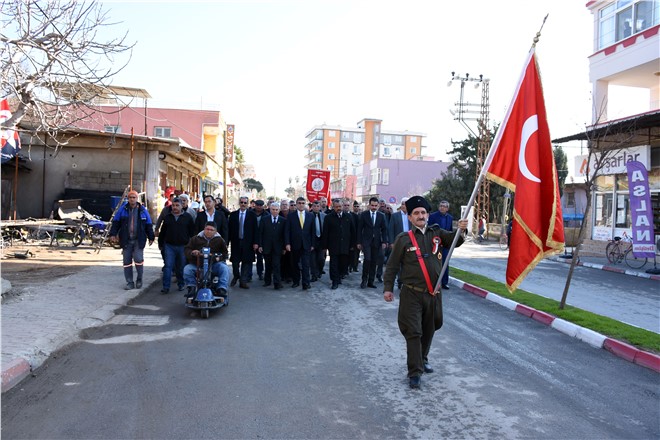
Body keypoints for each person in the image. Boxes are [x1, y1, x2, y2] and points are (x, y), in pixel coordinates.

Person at [383, 195, 467, 389]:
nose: (420, 216)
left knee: (430, 328)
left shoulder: (437, 233)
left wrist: (462, 230)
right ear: (410, 217)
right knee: (413, 331)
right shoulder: (403, 239)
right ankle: (415, 372)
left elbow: (456, 240)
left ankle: (423, 357)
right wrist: (388, 288)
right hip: (411, 293)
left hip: (433, 294)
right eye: (416, 213)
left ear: (427, 215)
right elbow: (392, 266)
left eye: (423, 213)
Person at [109, 190, 155, 290]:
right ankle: (129, 282)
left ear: (137, 199)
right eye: (130, 197)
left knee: (138, 260)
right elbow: (116, 222)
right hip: (126, 240)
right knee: (127, 262)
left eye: (134, 197)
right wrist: (113, 234)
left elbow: (148, 225)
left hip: (139, 240)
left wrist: (151, 237)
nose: (132, 199)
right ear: (128, 199)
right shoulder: (122, 209)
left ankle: (139, 279)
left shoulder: (143, 210)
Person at [183, 221, 229, 302]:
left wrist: (218, 257)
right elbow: (187, 249)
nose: (209, 231)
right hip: (198, 265)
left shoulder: (220, 240)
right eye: (207, 229)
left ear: (215, 231)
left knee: (224, 268)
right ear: (204, 229)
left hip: (213, 265)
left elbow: (225, 254)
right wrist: (193, 252)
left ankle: (221, 289)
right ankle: (191, 287)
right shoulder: (195, 238)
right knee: (187, 269)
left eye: (211, 230)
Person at [157, 197, 196, 293]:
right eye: (173, 205)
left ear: (182, 206)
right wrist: (160, 244)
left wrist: (192, 246)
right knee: (168, 266)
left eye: (177, 205)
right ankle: (166, 287)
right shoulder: (168, 217)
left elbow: (192, 233)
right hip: (169, 246)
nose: (175, 207)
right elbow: (163, 232)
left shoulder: (187, 217)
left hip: (183, 246)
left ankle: (181, 284)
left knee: (181, 267)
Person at [321, 198, 355, 290]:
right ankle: (334, 281)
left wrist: (352, 245)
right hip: (333, 245)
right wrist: (324, 246)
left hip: (345, 245)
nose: (338, 208)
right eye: (336, 207)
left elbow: (353, 231)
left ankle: (339, 276)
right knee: (334, 264)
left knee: (343, 263)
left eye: (340, 206)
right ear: (333, 207)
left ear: (342, 206)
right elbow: (325, 233)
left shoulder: (348, 217)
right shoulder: (328, 217)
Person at [357, 196, 388, 289]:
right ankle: (364, 280)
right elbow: (359, 229)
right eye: (372, 205)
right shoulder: (364, 215)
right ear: (369, 205)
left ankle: (371, 281)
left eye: (375, 205)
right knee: (367, 260)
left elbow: (384, 229)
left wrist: (384, 241)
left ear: (378, 206)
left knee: (374, 261)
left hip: (377, 242)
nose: (374, 207)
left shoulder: (381, 216)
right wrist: (359, 242)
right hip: (366, 241)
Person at [228, 196, 258, 289]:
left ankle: (243, 281)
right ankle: (236, 275)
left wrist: (255, 242)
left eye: (245, 203)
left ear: (247, 204)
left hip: (248, 242)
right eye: (241, 202)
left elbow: (255, 230)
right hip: (236, 242)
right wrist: (226, 242)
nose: (243, 204)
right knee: (235, 262)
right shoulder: (233, 215)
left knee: (246, 262)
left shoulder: (252, 215)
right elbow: (229, 229)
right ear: (239, 203)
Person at [285, 196, 314, 290]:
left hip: (306, 244)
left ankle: (306, 283)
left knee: (306, 264)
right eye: (299, 203)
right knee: (295, 264)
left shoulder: (310, 215)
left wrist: (313, 244)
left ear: (305, 204)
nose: (301, 205)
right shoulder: (291, 216)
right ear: (296, 204)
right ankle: (296, 281)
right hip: (294, 244)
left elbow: (312, 231)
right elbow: (287, 231)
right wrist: (287, 243)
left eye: (303, 203)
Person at [258, 201, 286, 290]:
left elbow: (285, 235)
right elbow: (260, 233)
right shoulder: (264, 219)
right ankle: (267, 281)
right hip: (266, 246)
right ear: (270, 210)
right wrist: (260, 245)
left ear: (279, 210)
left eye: (276, 210)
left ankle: (277, 283)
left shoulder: (283, 221)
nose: (275, 211)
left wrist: (284, 247)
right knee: (268, 264)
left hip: (278, 247)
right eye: (273, 209)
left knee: (276, 265)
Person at [428, 200, 454, 289]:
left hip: (445, 244)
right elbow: (429, 229)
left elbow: (450, 231)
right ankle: (434, 282)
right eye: (441, 206)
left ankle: (444, 282)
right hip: (435, 243)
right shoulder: (433, 216)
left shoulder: (450, 218)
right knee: (434, 263)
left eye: (444, 206)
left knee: (445, 263)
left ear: (447, 208)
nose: (442, 207)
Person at [388, 197, 410, 288]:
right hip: (398, 242)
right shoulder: (395, 216)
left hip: (409, 242)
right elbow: (391, 230)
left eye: (406, 204)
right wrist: (392, 242)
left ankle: (404, 280)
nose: (404, 206)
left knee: (407, 262)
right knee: (398, 262)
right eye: (403, 204)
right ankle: (399, 280)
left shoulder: (411, 216)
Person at [309, 200, 326, 282]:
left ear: (320, 207)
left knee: (321, 259)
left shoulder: (324, 216)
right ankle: (314, 275)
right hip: (312, 241)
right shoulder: (308, 216)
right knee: (312, 260)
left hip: (321, 241)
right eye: (314, 206)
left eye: (317, 206)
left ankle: (319, 271)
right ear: (312, 207)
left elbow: (326, 230)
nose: (316, 208)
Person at [253, 200, 267, 281]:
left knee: (261, 257)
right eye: (257, 205)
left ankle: (261, 273)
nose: (259, 207)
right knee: (252, 258)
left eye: (260, 205)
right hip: (252, 238)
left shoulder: (266, 214)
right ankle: (249, 274)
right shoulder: (250, 213)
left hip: (263, 239)